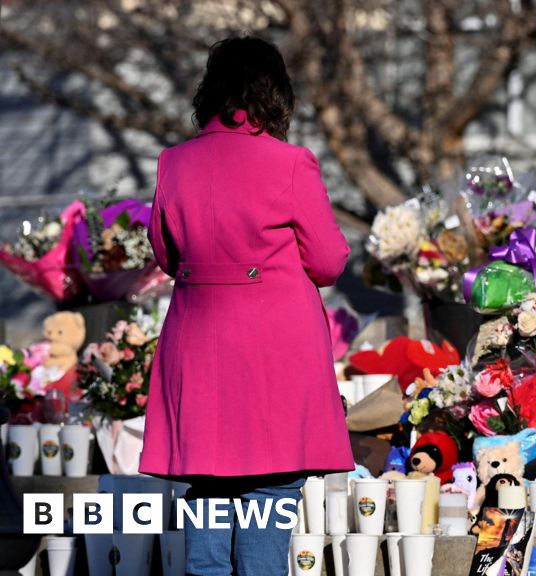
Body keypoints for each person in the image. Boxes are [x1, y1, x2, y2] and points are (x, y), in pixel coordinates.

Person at [139, 36, 353, 575]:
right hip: (274, 350)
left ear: (210, 92)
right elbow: (328, 262)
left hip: (198, 343)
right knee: (271, 487)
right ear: (274, 94)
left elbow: (166, 254)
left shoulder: (174, 163)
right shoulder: (291, 163)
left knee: (208, 487)